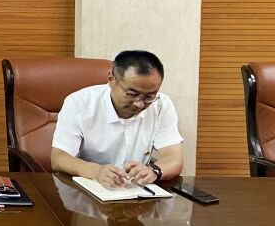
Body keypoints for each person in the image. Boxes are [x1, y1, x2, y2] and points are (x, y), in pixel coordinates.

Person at [51, 50, 183, 189]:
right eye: (132, 94)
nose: (140, 104)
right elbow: (59, 158)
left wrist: (154, 171)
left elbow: (174, 158)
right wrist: (96, 171)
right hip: (88, 188)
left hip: (136, 191)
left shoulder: (161, 105)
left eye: (149, 96)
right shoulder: (79, 103)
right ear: (111, 79)